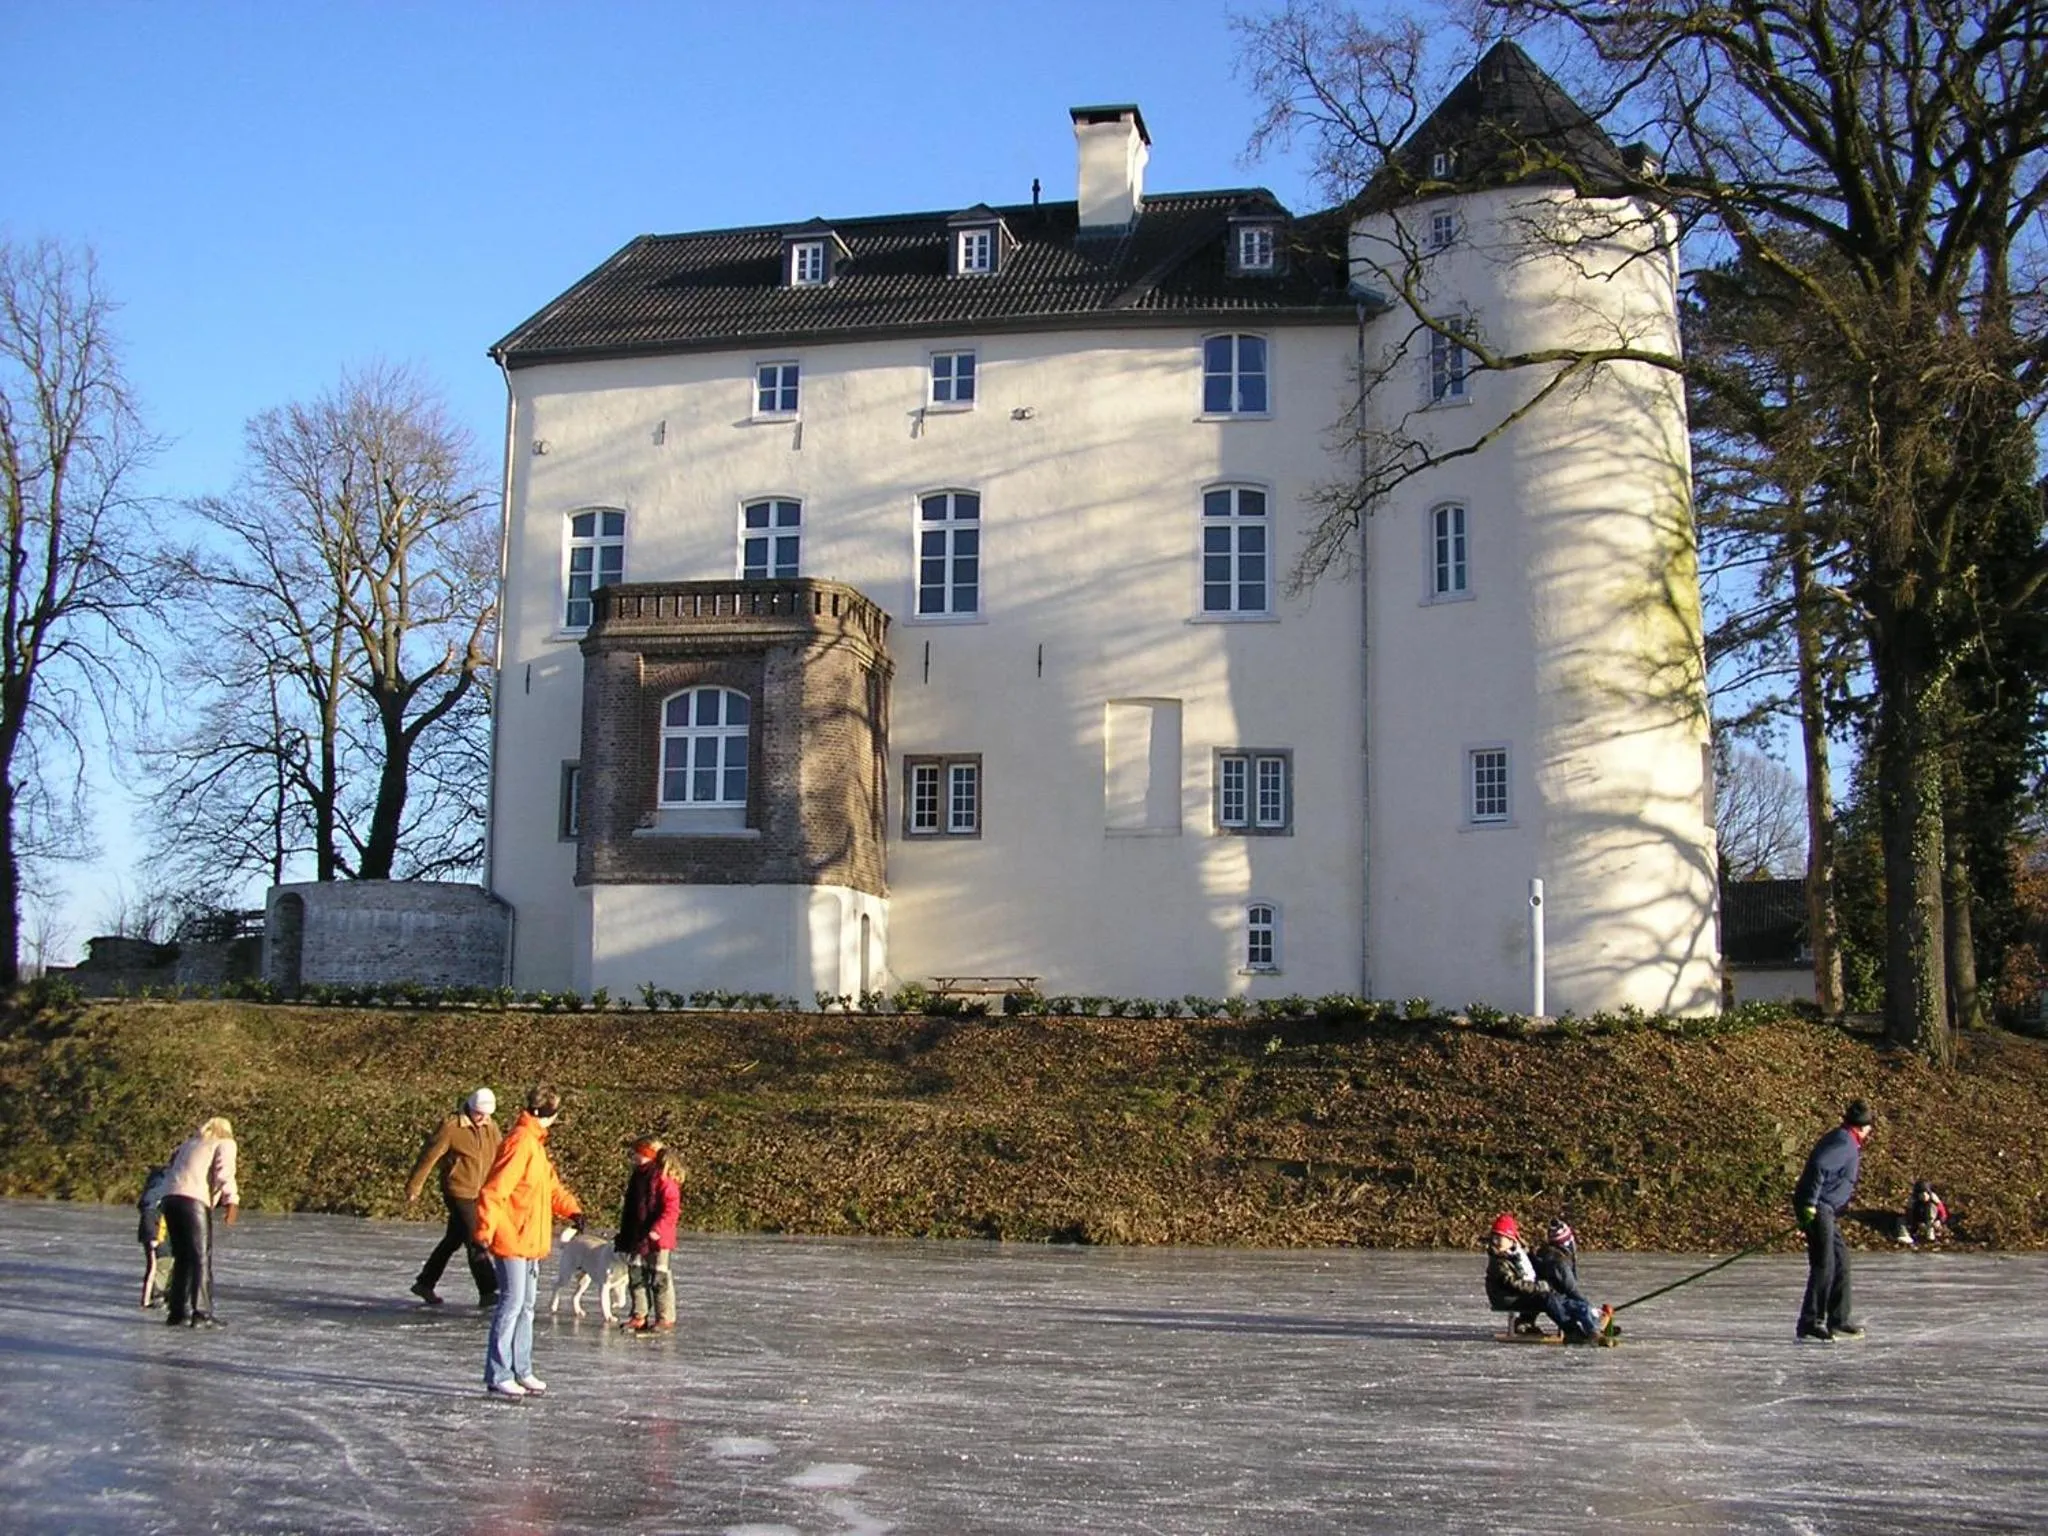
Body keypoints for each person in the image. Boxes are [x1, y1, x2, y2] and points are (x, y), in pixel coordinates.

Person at [473, 1085, 582, 1398]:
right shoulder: (520, 1143)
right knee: (511, 1304)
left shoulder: (535, 1145)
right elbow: (494, 1191)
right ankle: (498, 1372)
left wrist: (573, 1210)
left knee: (527, 1307)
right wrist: (484, 1233)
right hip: (511, 1236)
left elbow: (550, 1187)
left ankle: (523, 1369)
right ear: (549, 1114)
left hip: (530, 1237)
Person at [404, 1087, 503, 1306]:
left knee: (453, 1239)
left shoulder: (491, 1127)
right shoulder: (451, 1127)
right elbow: (429, 1157)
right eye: (479, 1113)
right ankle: (489, 1292)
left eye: (486, 1115)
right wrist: (414, 1186)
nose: (483, 1118)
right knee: (476, 1239)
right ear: (469, 1108)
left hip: (481, 1192)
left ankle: (425, 1283)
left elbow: (501, 1155)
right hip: (458, 1191)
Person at [1793, 1097, 1874, 1342]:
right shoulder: (1844, 1142)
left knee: (1841, 1261)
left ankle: (1838, 1319)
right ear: (1863, 1127)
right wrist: (1809, 1204)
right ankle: (1811, 1321)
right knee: (1824, 1264)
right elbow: (1819, 1165)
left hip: (1825, 1208)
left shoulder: (1845, 1140)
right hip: (1819, 1207)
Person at [159, 1117, 240, 1328]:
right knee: (201, 1257)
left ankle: (177, 1312)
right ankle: (202, 1313)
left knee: (182, 1258)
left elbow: (171, 1166)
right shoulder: (225, 1143)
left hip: (169, 1198)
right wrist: (232, 1200)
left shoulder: (189, 1143)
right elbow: (224, 1173)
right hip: (193, 1201)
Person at [1484, 1212, 1611, 1342]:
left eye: (1500, 1238)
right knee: (1548, 1298)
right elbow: (1513, 1283)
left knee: (1558, 1297)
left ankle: (1590, 1326)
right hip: (1507, 1298)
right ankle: (1572, 1330)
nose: (1495, 1242)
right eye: (1494, 1238)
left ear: (1512, 1240)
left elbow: (1530, 1267)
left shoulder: (1516, 1255)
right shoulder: (1499, 1261)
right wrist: (1539, 1287)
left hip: (1518, 1294)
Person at [614, 1139, 682, 1333]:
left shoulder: (662, 1178)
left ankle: (665, 1318)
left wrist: (658, 1229)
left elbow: (671, 1209)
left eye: (637, 1153)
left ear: (648, 1155)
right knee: (636, 1274)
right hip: (638, 1236)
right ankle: (639, 1315)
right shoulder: (637, 1176)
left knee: (659, 1277)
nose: (633, 1157)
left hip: (658, 1239)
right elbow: (630, 1209)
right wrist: (624, 1235)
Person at [137, 1161, 172, 1308]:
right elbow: (148, 1207)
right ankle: (150, 1298)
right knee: (156, 1265)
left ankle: (166, 1294)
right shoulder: (162, 1181)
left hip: (167, 1233)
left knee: (169, 1263)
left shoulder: (172, 1179)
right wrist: (151, 1235)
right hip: (156, 1233)